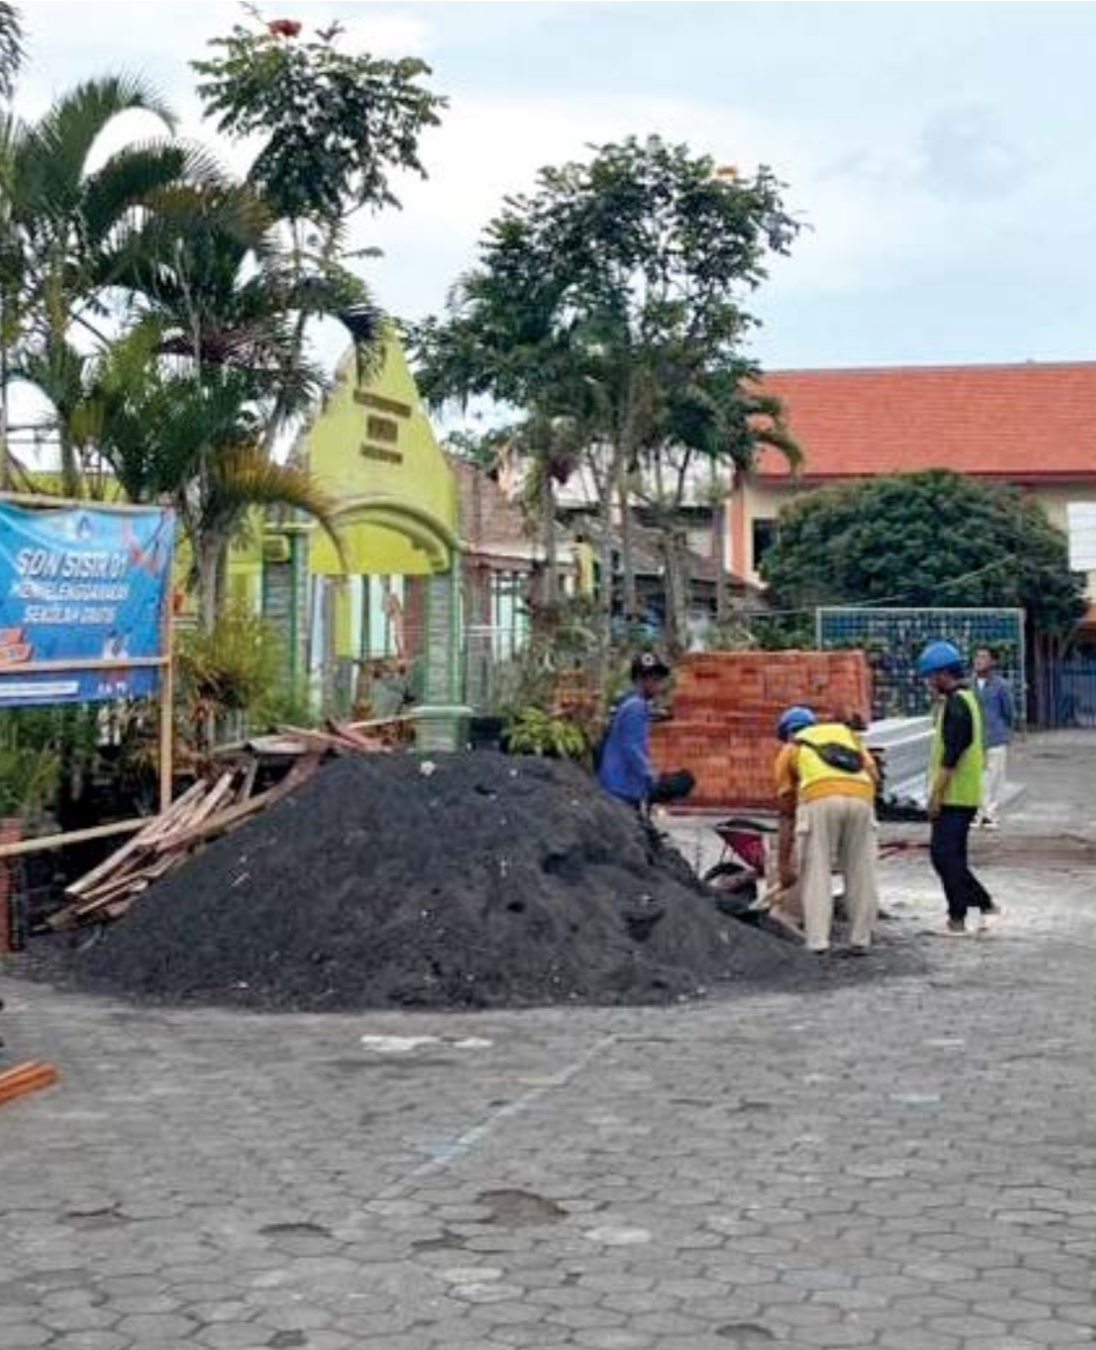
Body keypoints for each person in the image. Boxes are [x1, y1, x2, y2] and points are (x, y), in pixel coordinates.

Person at [773, 705, 880, 956]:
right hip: (862, 798)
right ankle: (860, 940)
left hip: (820, 800)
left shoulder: (791, 748)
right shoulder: (846, 735)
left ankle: (818, 942)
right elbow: (873, 775)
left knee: (816, 871)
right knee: (861, 870)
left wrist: (784, 866)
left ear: (787, 733)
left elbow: (786, 814)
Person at [917, 640, 1001, 936]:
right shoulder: (964, 700)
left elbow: (950, 757)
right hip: (963, 794)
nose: (929, 683)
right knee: (953, 857)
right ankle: (958, 917)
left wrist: (935, 797)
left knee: (944, 857)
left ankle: (983, 903)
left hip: (954, 795)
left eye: (930, 677)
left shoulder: (957, 705)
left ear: (942, 674)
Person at [597, 653, 695, 813]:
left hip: (620, 782)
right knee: (684, 780)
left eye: (658, 679)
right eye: (653, 679)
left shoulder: (630, 702)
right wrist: (651, 776)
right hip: (622, 785)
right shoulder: (636, 706)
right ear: (639, 680)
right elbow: (632, 747)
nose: (658, 685)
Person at [973, 646, 1014, 830]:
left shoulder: (1001, 685)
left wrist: (1004, 731)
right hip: (974, 739)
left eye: (983, 657)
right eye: (977, 657)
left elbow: (1009, 712)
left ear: (992, 662)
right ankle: (978, 814)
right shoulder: (969, 684)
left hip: (996, 737)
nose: (978, 661)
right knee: (978, 778)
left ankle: (991, 815)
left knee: (995, 777)